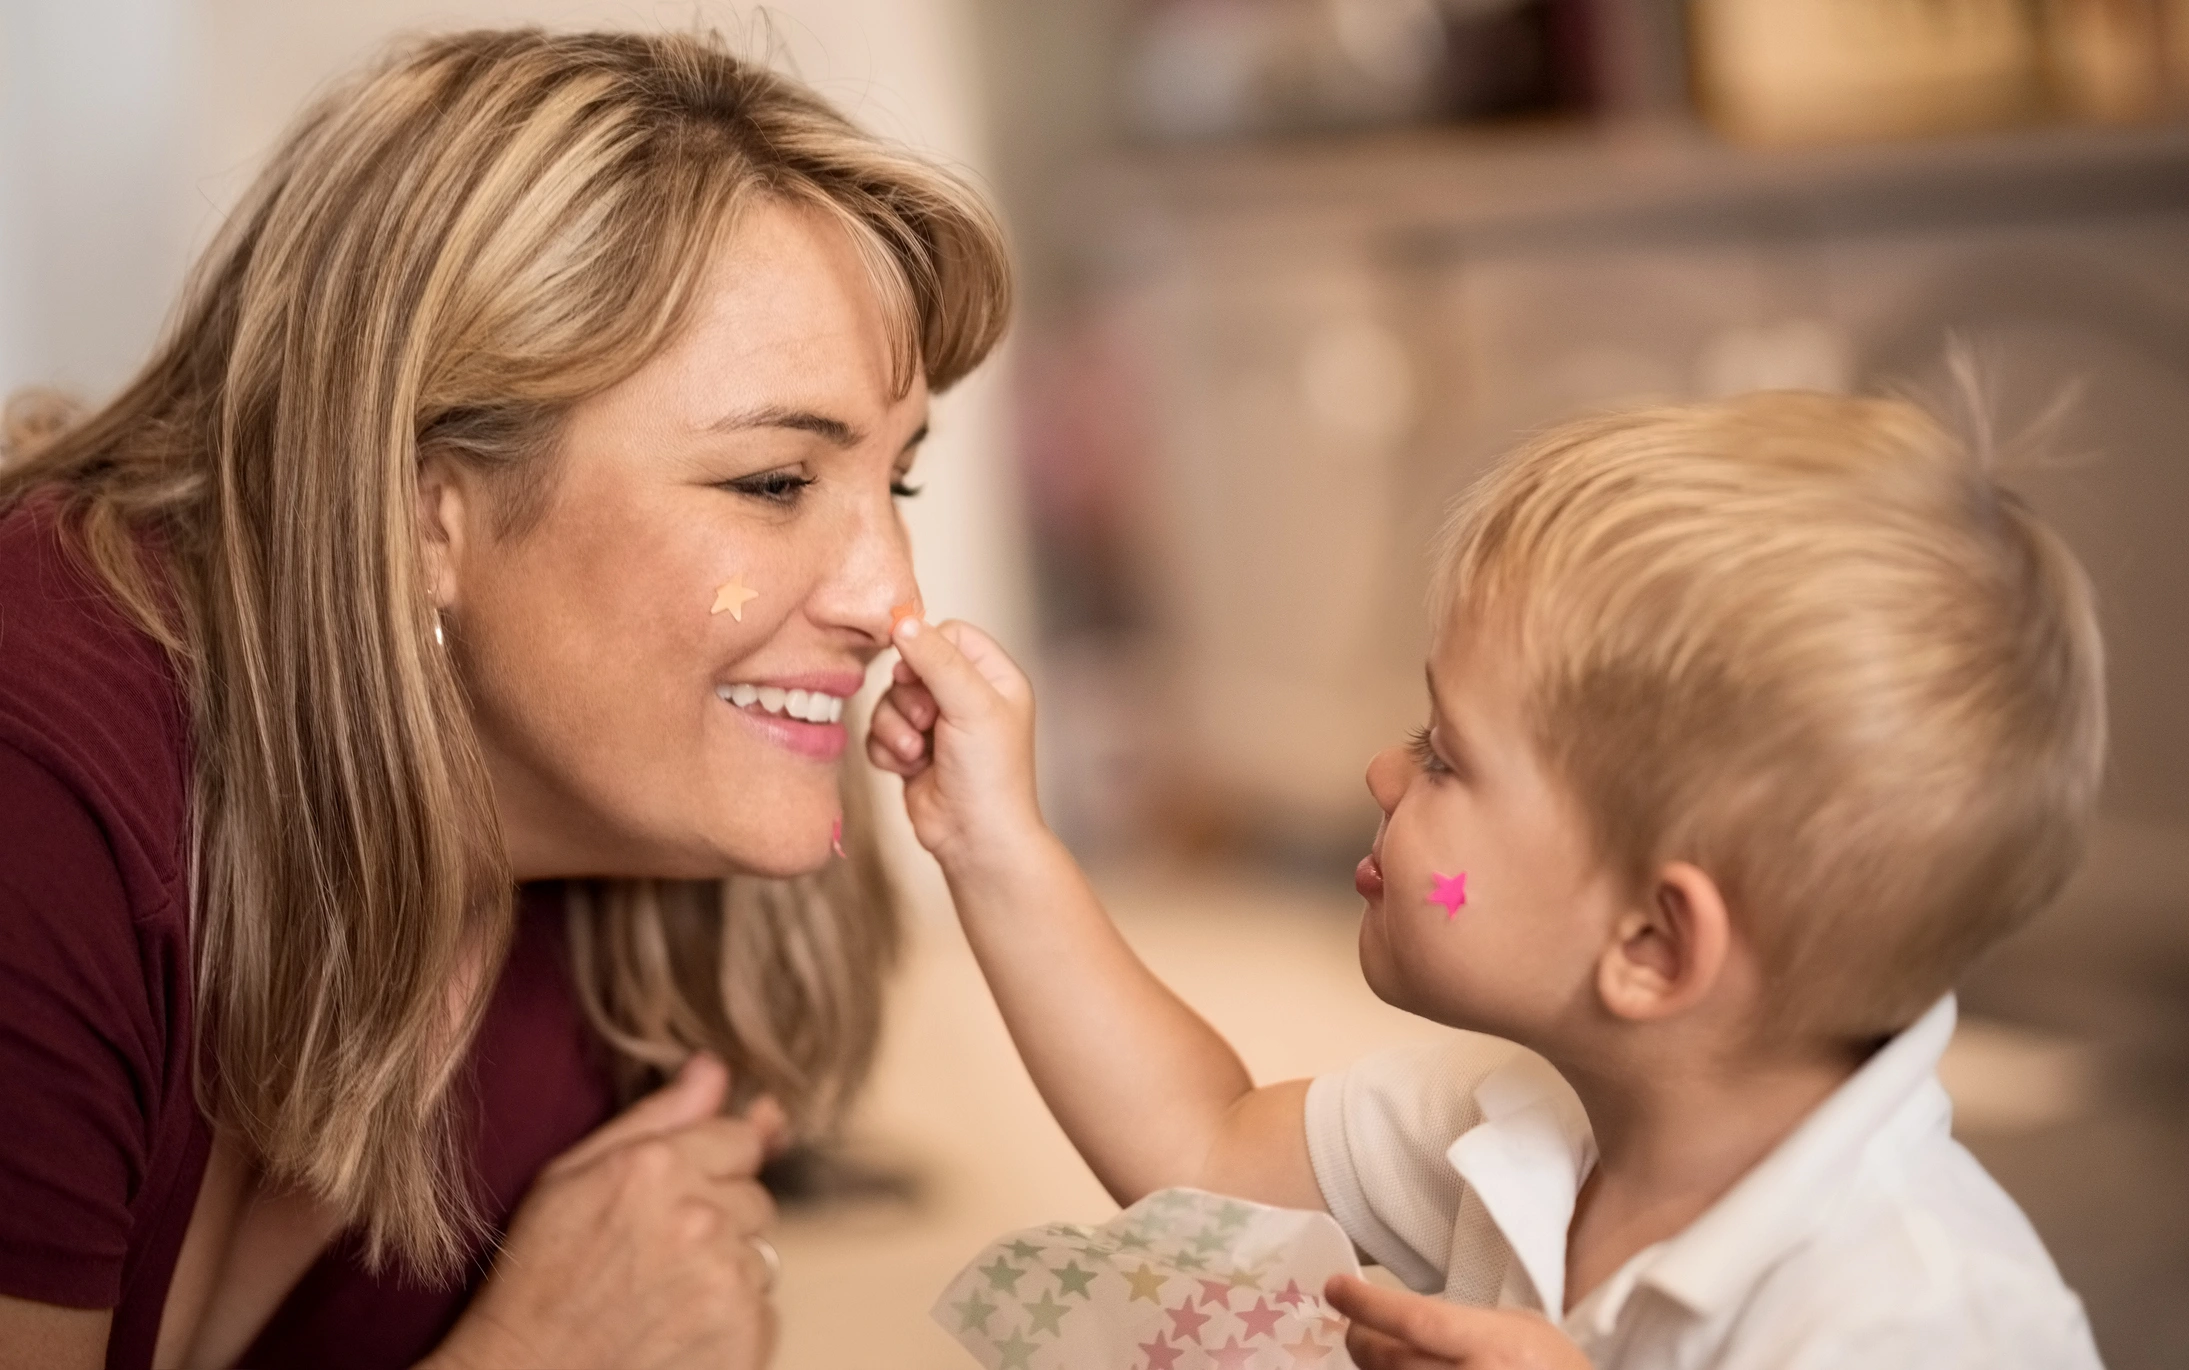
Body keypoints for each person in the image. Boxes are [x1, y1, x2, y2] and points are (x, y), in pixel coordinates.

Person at [0, 27, 1009, 1370]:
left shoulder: (648, 912)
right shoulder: (40, 774)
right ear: (424, 511)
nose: (894, 604)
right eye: (773, 482)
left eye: (899, 483)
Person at [869, 392, 2109, 1369]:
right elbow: (1202, 1146)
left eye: (1444, 755)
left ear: (1651, 942)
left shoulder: (1923, 1317)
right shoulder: (1526, 1116)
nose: (1381, 766)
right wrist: (994, 839)